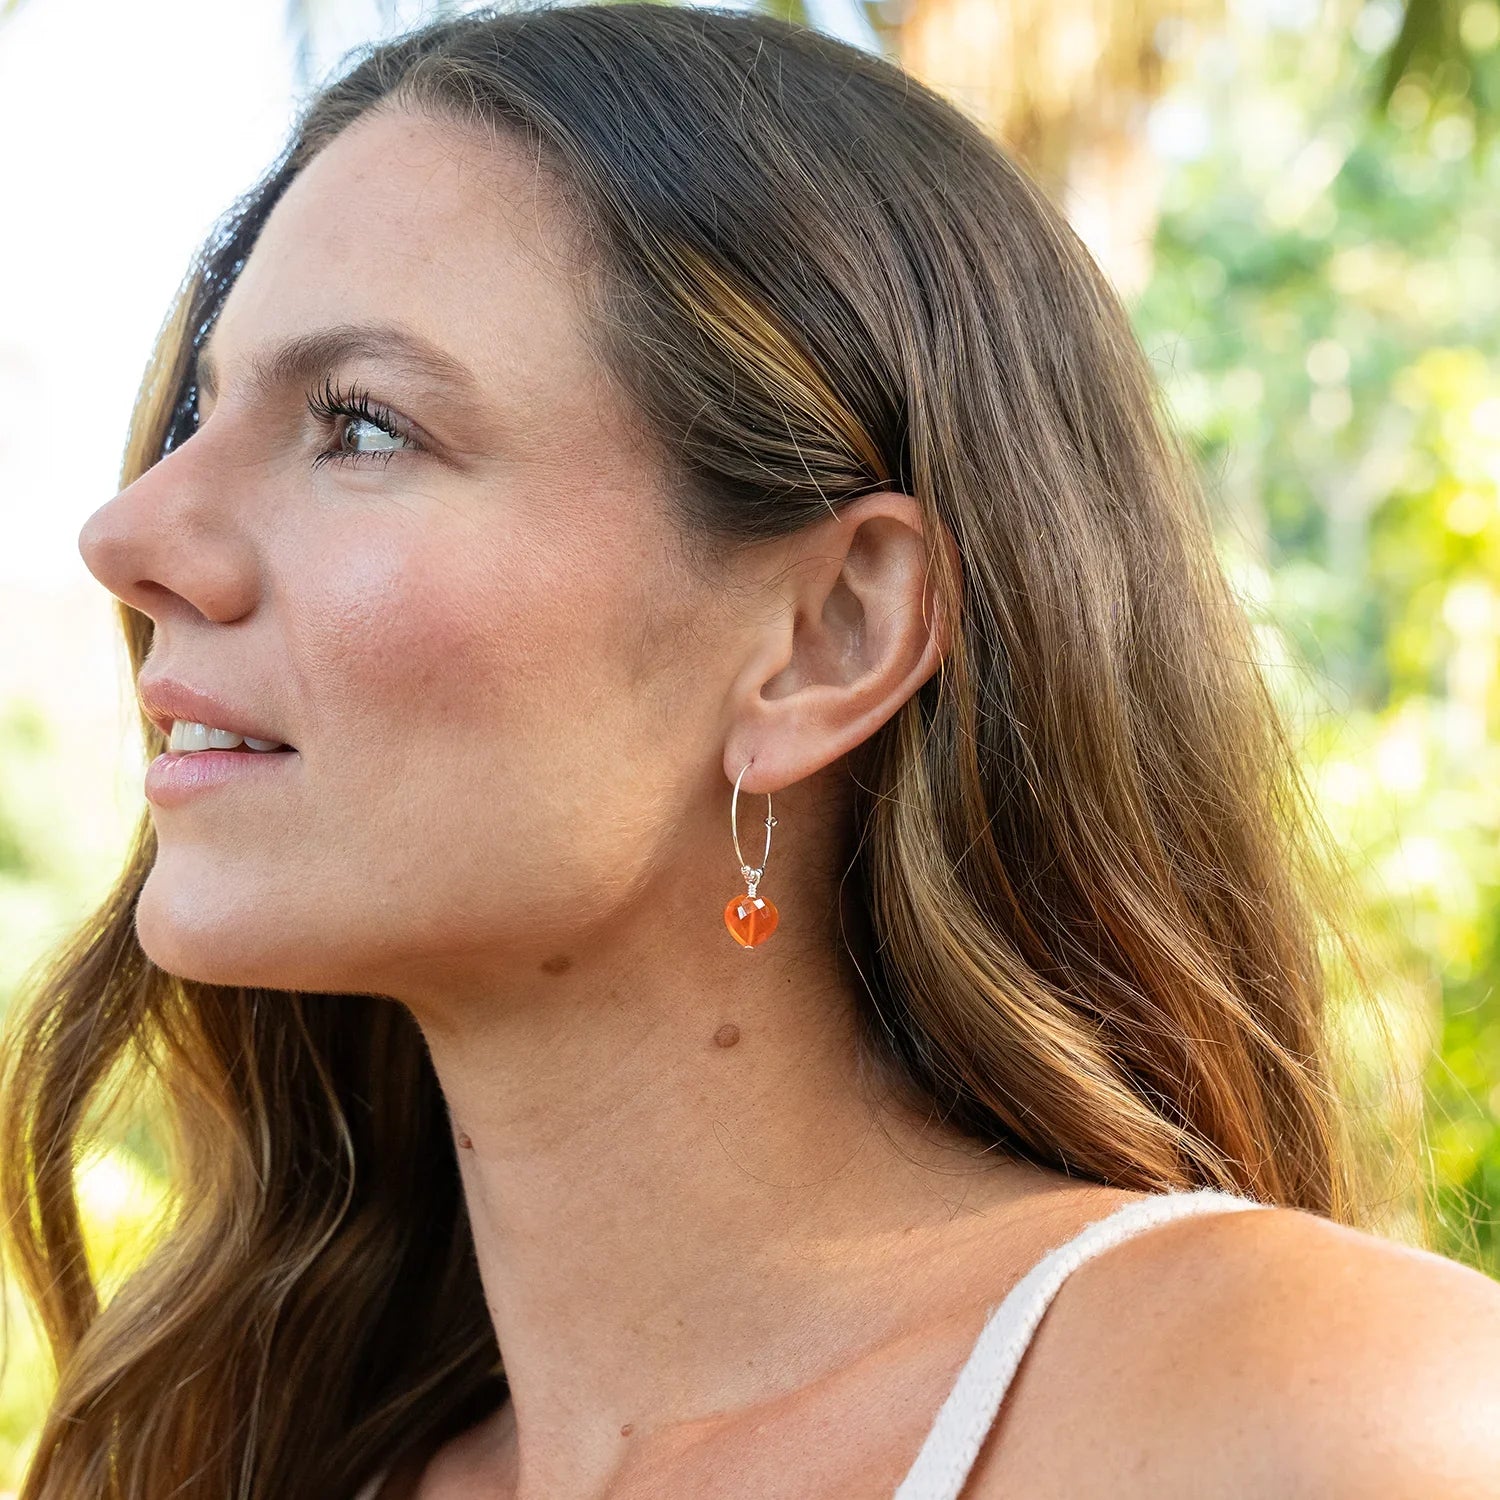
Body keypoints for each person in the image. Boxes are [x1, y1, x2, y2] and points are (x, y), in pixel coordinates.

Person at [4, 3, 1497, 1496]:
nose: (129, 534)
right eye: (201, 409)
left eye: (365, 425)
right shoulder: (240, 1463)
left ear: (829, 635)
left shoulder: (1323, 1422)